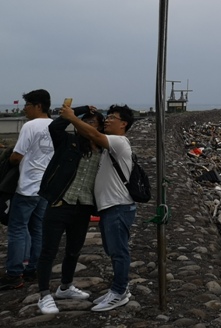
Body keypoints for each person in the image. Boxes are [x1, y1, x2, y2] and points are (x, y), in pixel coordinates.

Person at [61, 103, 136, 312]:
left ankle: (119, 292)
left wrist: (71, 117)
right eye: (108, 116)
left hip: (118, 207)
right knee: (113, 251)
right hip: (110, 208)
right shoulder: (108, 145)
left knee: (119, 252)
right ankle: (119, 289)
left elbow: (92, 134)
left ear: (124, 124)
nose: (107, 120)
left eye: (112, 117)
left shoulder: (118, 142)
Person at [35, 107, 105, 314]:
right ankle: (44, 294)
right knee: (49, 250)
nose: (88, 125)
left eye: (93, 122)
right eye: (86, 121)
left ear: (100, 127)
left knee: (74, 250)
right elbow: (55, 125)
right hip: (60, 203)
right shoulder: (67, 142)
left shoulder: (103, 149)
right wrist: (79, 111)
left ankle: (65, 286)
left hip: (83, 207)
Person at [0, 89, 54, 290]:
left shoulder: (30, 126)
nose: (25, 109)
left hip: (28, 186)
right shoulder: (55, 125)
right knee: (37, 228)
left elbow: (16, 156)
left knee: (17, 229)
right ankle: (33, 269)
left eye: (27, 105)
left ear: (38, 106)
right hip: (45, 187)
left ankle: (14, 273)